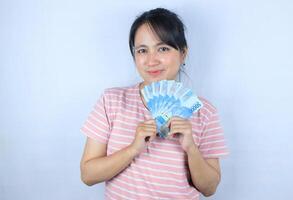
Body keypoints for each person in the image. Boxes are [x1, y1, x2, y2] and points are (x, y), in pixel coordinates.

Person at [80, 8, 229, 199]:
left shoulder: (204, 112)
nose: (151, 60)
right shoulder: (111, 101)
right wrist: (133, 149)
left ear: (183, 53)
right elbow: (88, 175)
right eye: (142, 50)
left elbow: (209, 188)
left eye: (163, 49)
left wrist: (191, 148)